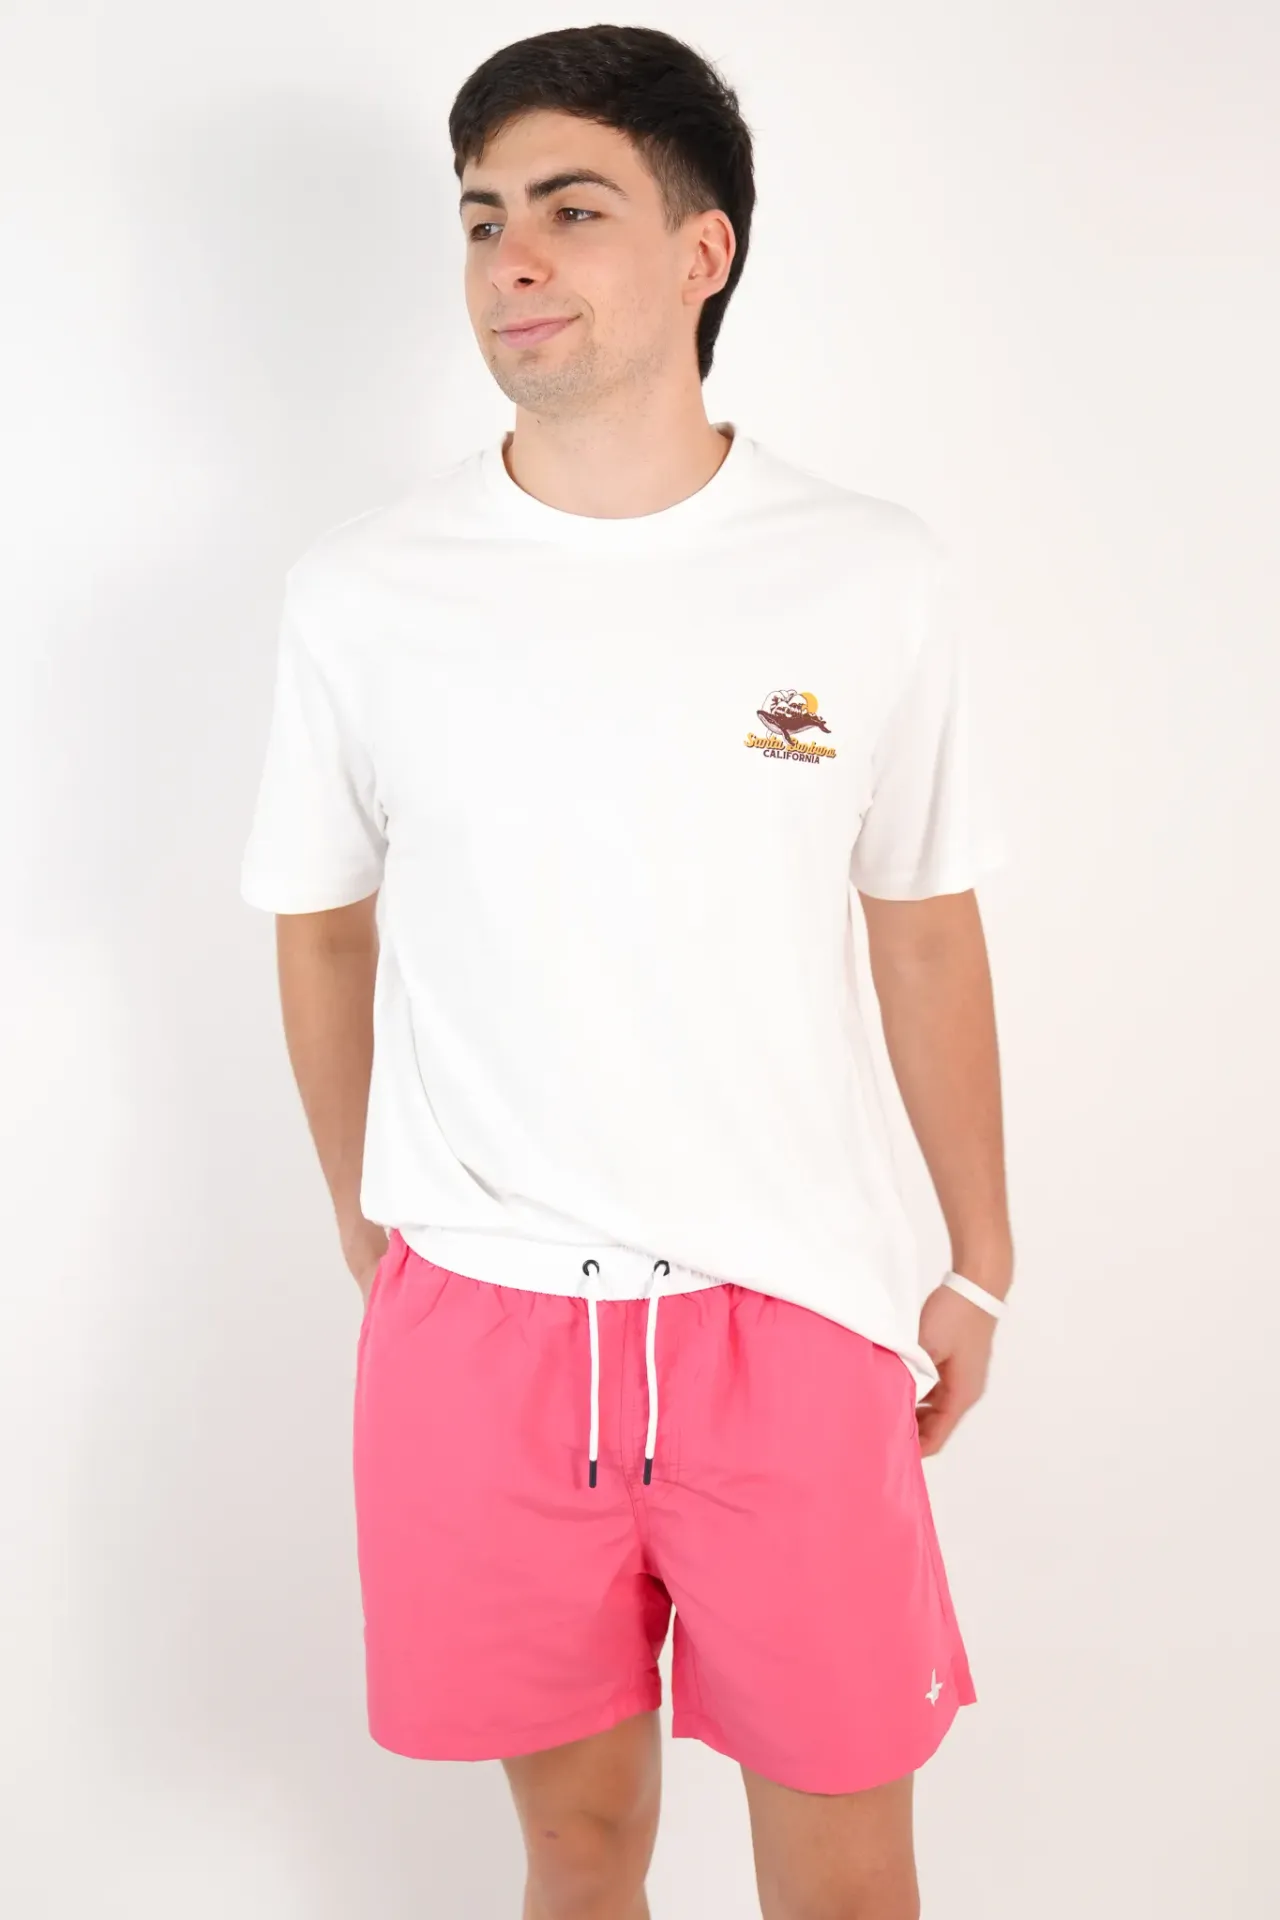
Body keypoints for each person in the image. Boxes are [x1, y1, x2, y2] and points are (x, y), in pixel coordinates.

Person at [239, 23, 1014, 1920]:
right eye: (481, 217)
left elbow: (922, 920)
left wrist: (980, 1254)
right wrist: (365, 1219)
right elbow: (320, 921)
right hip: (484, 1329)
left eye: (570, 210)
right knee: (577, 1849)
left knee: (848, 1877)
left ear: (701, 250)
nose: (510, 259)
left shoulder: (866, 572)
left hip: (793, 1316)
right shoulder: (364, 591)